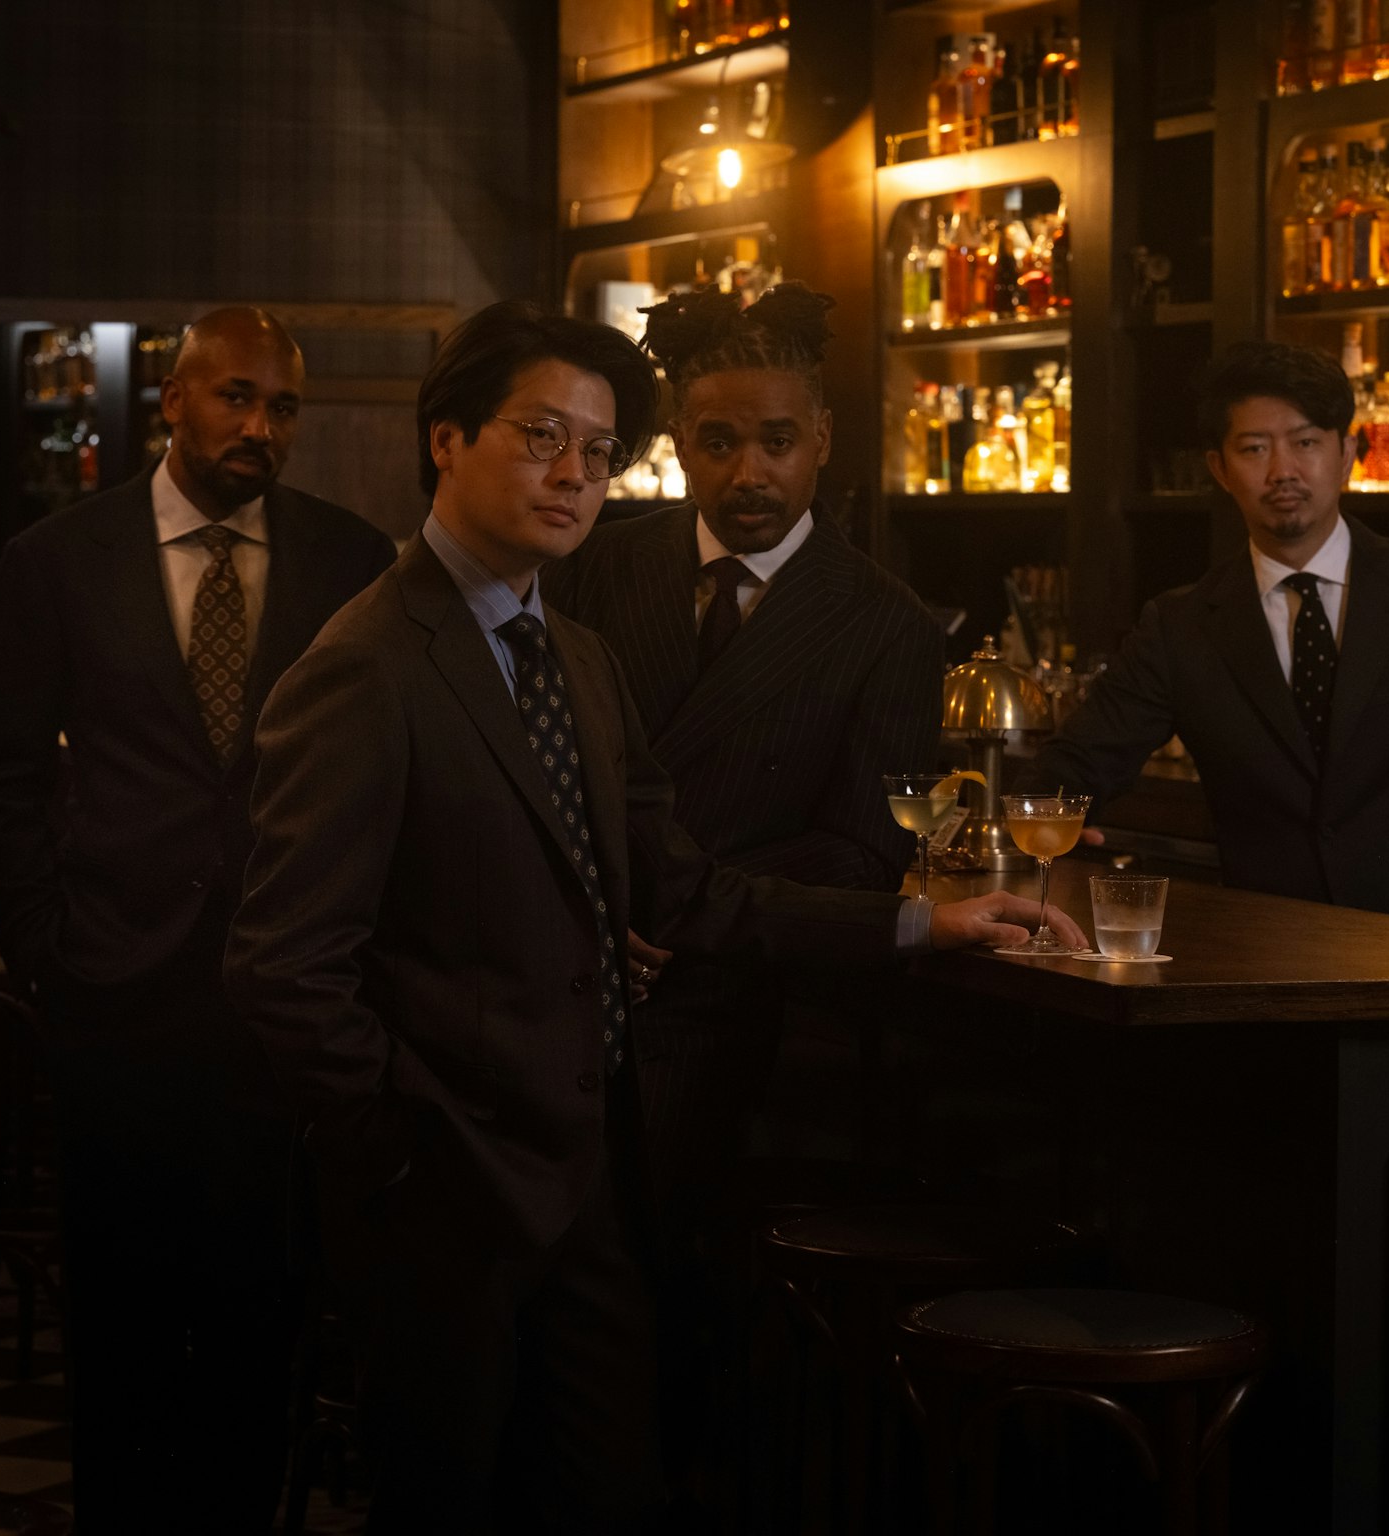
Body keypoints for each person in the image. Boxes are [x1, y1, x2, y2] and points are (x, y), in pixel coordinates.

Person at [223, 299, 1079, 1534]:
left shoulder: (572, 653)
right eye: (540, 436)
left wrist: (919, 926)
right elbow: (283, 969)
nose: (573, 474)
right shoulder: (367, 662)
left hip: (590, 1172)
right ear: (446, 439)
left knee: (610, 1493)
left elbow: (684, 888)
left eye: (597, 450)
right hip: (447, 1190)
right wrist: (403, 1153)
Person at [0, 306, 395, 1531]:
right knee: (122, 1319)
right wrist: (44, 949)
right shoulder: (60, 557)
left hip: (281, 995)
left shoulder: (349, 558)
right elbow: (2, 773)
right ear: (172, 401)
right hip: (114, 987)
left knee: (262, 1315)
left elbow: (376, 770)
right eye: (236, 398)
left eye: (283, 407)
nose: (262, 427)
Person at [540, 283, 944, 1498]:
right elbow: (534, 764)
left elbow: (860, 853)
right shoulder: (596, 568)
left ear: (821, 439)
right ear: (678, 442)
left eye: (775, 441)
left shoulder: (884, 623)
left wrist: (685, 919)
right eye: (717, 442)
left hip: (749, 1028)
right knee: (561, 1336)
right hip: (563, 996)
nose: (748, 472)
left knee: (692, 1337)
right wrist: (600, 908)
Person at [1028, 340, 1389, 938]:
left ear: (1347, 454)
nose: (1282, 470)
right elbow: (1079, 762)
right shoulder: (1181, 625)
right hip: (1270, 954)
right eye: (1254, 448)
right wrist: (1044, 829)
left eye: (1305, 443)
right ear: (1219, 469)